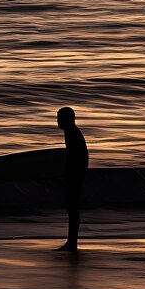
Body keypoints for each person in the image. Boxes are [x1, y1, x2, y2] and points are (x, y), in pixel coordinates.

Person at [56, 107, 88, 251]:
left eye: (59, 117)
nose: (57, 121)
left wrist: (70, 175)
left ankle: (72, 242)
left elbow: (75, 157)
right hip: (77, 173)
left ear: (67, 119)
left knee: (72, 207)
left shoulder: (71, 133)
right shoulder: (72, 132)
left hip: (75, 174)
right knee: (72, 208)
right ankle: (72, 241)